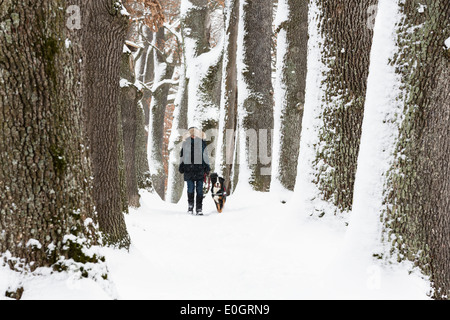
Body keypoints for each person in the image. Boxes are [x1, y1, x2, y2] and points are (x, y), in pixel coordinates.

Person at [179, 127, 211, 215]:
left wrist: (207, 167)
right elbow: (182, 156)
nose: (193, 136)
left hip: (199, 169)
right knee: (190, 188)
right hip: (188, 169)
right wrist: (181, 166)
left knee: (200, 190)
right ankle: (190, 207)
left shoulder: (201, 143)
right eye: (192, 135)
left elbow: (205, 155)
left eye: (194, 134)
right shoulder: (186, 143)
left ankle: (199, 208)